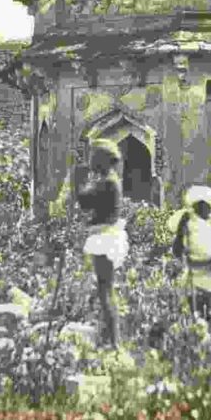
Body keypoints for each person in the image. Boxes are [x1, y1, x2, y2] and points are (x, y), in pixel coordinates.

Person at [76, 140, 129, 348]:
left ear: (103, 160)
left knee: (105, 290)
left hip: (105, 238)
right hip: (106, 235)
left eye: (94, 156)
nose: (90, 161)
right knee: (105, 289)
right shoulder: (109, 180)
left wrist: (80, 179)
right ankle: (110, 338)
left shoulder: (107, 181)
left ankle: (115, 342)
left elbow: (84, 201)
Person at [172, 185, 211, 322]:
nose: (201, 209)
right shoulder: (187, 222)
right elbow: (177, 248)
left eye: (204, 206)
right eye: (198, 206)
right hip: (195, 279)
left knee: (207, 317)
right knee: (199, 317)